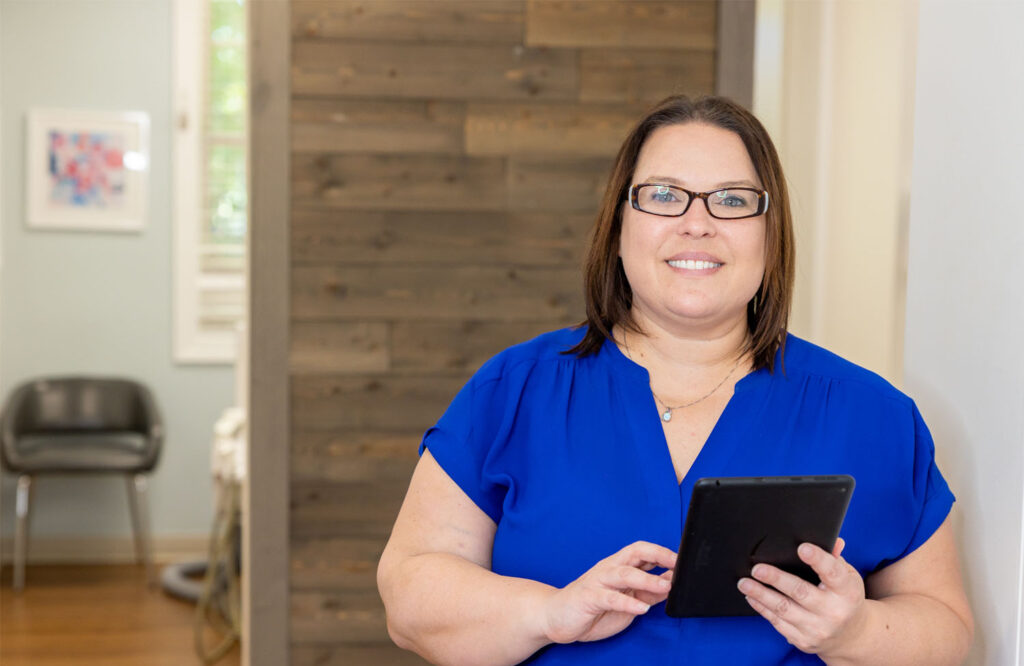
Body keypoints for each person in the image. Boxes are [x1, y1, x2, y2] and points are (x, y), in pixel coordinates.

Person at [375, 95, 973, 665]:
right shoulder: (514, 391)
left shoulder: (874, 416)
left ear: (771, 233)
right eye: (664, 195)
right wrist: (548, 613)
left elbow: (946, 627)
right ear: (618, 225)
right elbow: (409, 596)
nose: (697, 224)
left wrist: (857, 630)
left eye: (733, 201)